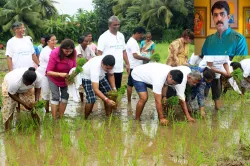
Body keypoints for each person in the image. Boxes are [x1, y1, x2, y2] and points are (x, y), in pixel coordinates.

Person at [46, 39, 76, 120]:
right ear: (62, 48)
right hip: (54, 77)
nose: (68, 53)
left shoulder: (74, 52)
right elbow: (48, 72)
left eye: (70, 51)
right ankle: (54, 119)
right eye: (66, 51)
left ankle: (61, 116)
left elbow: (74, 67)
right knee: (55, 96)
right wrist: (60, 74)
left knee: (65, 96)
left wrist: (71, 77)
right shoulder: (55, 53)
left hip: (66, 77)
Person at [97, 16, 130, 89]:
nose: (117, 26)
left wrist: (127, 63)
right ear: (109, 25)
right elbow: (99, 53)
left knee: (117, 88)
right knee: (108, 90)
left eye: (118, 24)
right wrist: (100, 67)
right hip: (107, 68)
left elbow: (124, 51)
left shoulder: (121, 35)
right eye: (115, 25)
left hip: (119, 68)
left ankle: (116, 100)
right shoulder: (103, 37)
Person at [126, 27, 150, 102]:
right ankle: (132, 100)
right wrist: (145, 58)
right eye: (141, 35)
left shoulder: (133, 41)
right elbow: (135, 55)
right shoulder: (132, 42)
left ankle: (130, 100)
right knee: (131, 84)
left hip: (134, 65)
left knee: (130, 84)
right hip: (134, 66)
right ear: (137, 33)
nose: (141, 37)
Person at [36, 34, 57, 113]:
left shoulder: (55, 49)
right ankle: (47, 111)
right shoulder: (45, 50)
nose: (54, 42)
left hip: (52, 74)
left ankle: (53, 110)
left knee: (54, 93)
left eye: (55, 40)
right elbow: (52, 62)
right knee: (46, 93)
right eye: (52, 40)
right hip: (44, 74)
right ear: (48, 42)